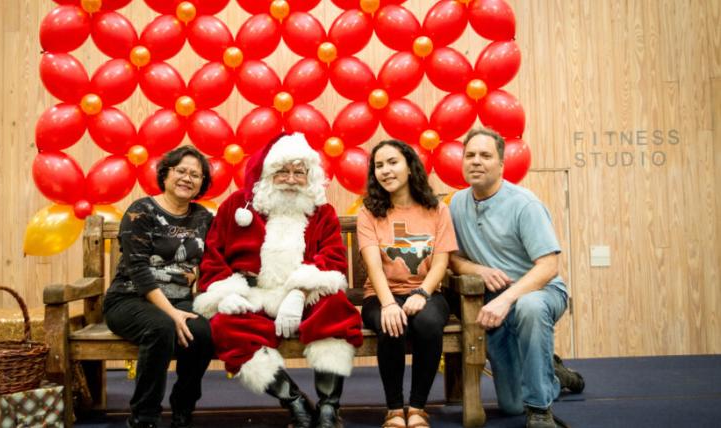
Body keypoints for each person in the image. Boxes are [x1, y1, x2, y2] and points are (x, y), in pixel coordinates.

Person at [193, 133, 363, 428]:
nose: (291, 179)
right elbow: (214, 256)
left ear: (309, 177)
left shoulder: (321, 211)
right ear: (267, 173)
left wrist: (299, 291)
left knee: (336, 308)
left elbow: (333, 258)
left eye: (299, 172)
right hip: (253, 294)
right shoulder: (237, 206)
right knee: (223, 326)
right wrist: (225, 293)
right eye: (283, 171)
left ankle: (328, 407)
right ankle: (294, 400)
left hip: (304, 296)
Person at [448, 128, 584, 428]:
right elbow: (453, 259)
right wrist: (478, 270)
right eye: (470, 155)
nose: (476, 161)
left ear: (501, 164)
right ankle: (552, 371)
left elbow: (549, 266)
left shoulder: (525, 203)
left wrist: (509, 298)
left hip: (541, 293)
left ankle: (540, 411)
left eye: (485, 155)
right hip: (493, 306)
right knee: (510, 406)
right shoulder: (456, 203)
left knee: (530, 308)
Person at [103, 146, 215, 428]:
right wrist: (172, 313)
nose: (187, 178)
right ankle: (144, 416)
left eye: (195, 175)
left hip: (180, 300)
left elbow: (215, 258)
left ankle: (183, 406)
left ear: (202, 183)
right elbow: (138, 271)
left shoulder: (203, 217)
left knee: (203, 330)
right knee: (161, 327)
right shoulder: (141, 211)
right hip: (130, 299)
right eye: (181, 171)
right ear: (165, 174)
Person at [357, 140, 457, 428]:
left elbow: (441, 262)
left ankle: (416, 408)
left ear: (410, 167)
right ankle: (393, 409)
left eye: (393, 162)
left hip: (425, 291)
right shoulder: (369, 212)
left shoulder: (437, 209)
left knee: (427, 323)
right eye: (379, 165)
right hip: (380, 294)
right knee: (392, 324)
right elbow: (373, 264)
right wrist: (388, 303)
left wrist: (422, 292)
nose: (386, 170)